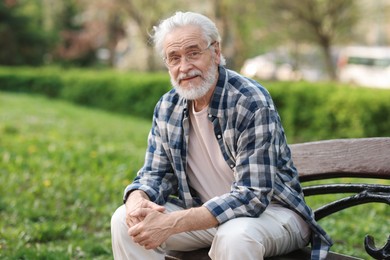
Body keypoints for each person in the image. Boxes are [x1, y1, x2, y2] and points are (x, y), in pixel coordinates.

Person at [111, 11, 333, 260]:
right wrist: (136, 199)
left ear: (216, 52)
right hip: (205, 218)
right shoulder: (167, 107)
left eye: (194, 53)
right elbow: (155, 174)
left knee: (235, 236)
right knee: (125, 222)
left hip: (272, 215)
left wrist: (173, 223)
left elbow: (253, 195)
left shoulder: (250, 102)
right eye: (174, 58)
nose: (184, 67)